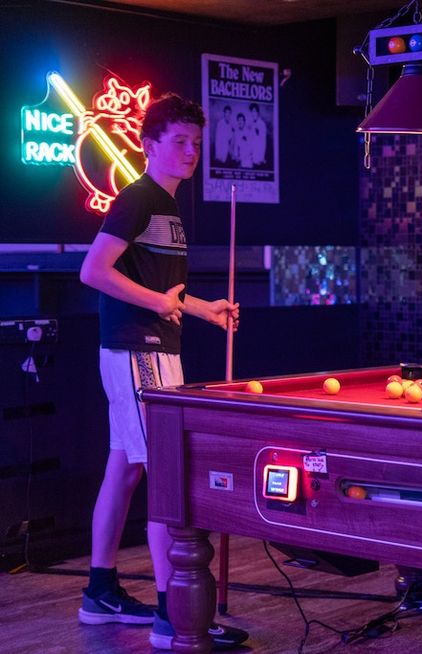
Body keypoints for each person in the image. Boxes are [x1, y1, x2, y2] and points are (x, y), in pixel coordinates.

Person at [78, 93, 249, 650]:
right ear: (149, 145)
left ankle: (99, 592)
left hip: (151, 346)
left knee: (125, 469)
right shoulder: (137, 200)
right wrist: (156, 305)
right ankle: (172, 613)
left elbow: (165, 291)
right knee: (167, 476)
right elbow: (93, 271)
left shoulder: (169, 206)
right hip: (137, 349)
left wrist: (204, 310)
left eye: (197, 143)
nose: (191, 152)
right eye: (179, 141)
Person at [247, 103, 267, 167]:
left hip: (259, 158)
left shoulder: (261, 124)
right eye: (251, 112)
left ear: (258, 112)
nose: (253, 113)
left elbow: (263, 143)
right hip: (252, 157)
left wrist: (261, 158)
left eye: (254, 111)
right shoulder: (252, 124)